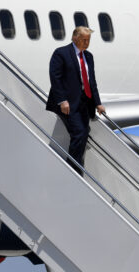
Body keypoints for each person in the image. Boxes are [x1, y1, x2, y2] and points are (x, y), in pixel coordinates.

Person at [46, 26, 105, 173]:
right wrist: (62, 100)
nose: (87, 43)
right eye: (84, 40)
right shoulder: (61, 53)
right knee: (79, 132)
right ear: (74, 38)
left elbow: (92, 82)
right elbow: (56, 78)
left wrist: (98, 103)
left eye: (88, 40)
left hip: (85, 104)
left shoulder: (89, 57)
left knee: (84, 132)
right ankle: (73, 167)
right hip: (69, 104)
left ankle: (76, 163)